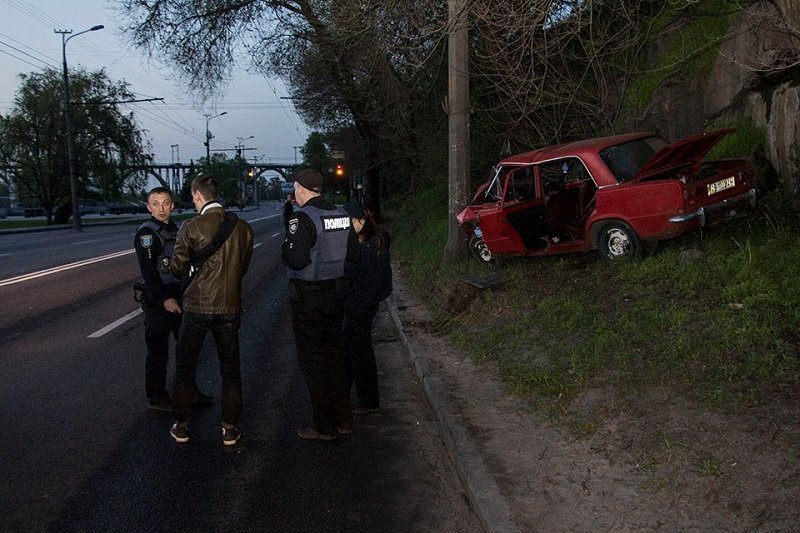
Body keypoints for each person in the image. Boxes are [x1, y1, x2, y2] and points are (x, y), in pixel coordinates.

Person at [168, 174, 254, 446]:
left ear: (197, 195)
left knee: (185, 368)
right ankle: (229, 428)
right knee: (230, 371)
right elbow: (243, 266)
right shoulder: (242, 228)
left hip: (196, 308)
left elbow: (178, 268)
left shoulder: (191, 227)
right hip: (229, 307)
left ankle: (181, 426)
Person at [282, 169, 360, 440]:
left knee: (314, 361)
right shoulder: (341, 215)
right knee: (334, 356)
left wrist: (286, 242)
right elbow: (354, 253)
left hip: (309, 297)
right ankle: (344, 419)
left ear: (300, 189)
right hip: (336, 295)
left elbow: (296, 260)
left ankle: (323, 425)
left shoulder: (301, 218)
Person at [134, 187, 213, 412]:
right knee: (158, 352)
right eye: (156, 204)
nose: (161, 208)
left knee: (186, 349)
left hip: (180, 296)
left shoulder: (174, 229)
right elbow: (149, 271)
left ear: (172, 206)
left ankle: (189, 391)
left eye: (166, 203)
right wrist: (165, 299)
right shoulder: (147, 234)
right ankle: (157, 397)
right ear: (148, 207)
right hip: (160, 301)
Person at [341, 202, 392, 415]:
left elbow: (373, 279)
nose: (347, 227)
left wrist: (360, 300)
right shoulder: (372, 242)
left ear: (361, 220)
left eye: (350, 222)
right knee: (353, 350)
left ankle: (369, 400)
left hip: (360, 306)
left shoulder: (371, 246)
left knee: (360, 352)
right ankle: (353, 395)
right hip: (362, 304)